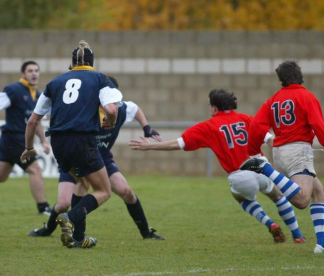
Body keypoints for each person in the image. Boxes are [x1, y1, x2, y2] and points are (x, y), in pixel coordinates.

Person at [130, 89, 305, 244]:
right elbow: (270, 140)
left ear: (214, 108)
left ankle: (270, 223)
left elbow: (178, 144)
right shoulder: (248, 119)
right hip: (262, 168)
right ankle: (297, 235)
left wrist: (149, 146)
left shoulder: (208, 126)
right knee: (277, 196)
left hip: (240, 175)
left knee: (242, 199)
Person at [29, 76, 164, 240]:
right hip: (77, 155)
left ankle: (146, 233)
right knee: (64, 203)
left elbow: (134, 109)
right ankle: (49, 228)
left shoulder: (120, 108)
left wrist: (147, 127)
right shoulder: (84, 109)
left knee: (126, 191)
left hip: (102, 159)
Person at [21, 40, 123, 249]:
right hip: (82, 138)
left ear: (72, 63)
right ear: (92, 63)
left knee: (82, 183)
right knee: (104, 191)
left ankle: (78, 238)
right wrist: (109, 122)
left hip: (58, 141)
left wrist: (29, 148)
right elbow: (112, 110)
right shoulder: (99, 78)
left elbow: (33, 121)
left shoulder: (55, 82)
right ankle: (70, 217)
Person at [239, 60, 324, 254]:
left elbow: (256, 126)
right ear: (299, 76)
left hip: (279, 151)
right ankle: (263, 167)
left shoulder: (273, 100)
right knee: (302, 200)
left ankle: (322, 244)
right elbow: (319, 125)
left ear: (281, 79)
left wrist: (253, 150)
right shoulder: (306, 96)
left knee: (319, 192)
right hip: (297, 151)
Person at [0, 61, 52, 215]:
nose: (34, 73)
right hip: (14, 138)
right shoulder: (14, 89)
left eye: (36, 71)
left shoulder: (37, 95)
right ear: (22, 74)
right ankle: (43, 207)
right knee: (35, 170)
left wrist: (44, 141)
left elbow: (35, 121)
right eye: (30, 71)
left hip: (13, 140)